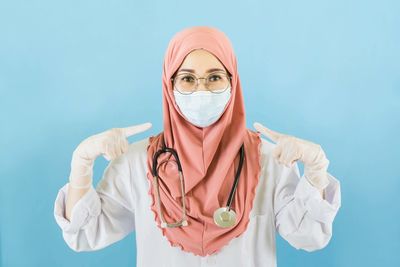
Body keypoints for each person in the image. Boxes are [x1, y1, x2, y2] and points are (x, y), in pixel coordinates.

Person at [54, 26, 341, 267]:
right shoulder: (137, 164)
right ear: (169, 85)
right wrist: (81, 164)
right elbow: (85, 234)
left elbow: (310, 236)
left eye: (214, 77)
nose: (201, 91)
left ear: (233, 81)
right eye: (188, 79)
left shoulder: (268, 161)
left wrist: (315, 171)